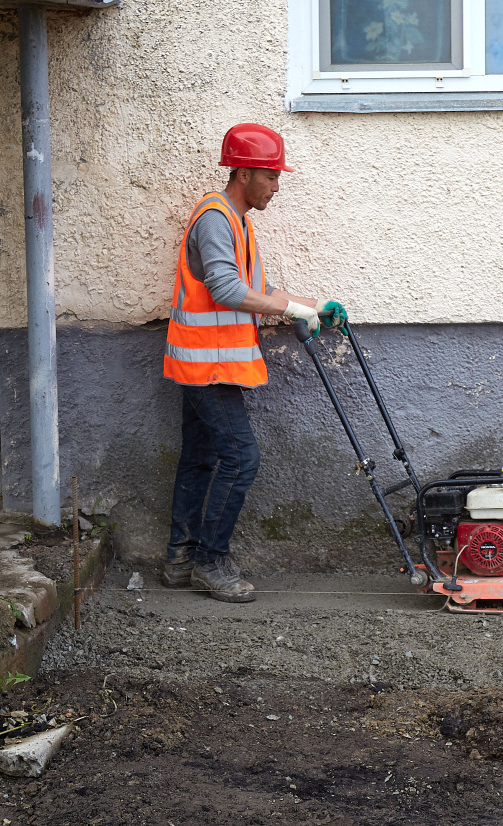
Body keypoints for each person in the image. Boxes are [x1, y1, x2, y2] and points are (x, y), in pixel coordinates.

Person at [161, 123, 348, 603]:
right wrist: (290, 310)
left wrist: (311, 306)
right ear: (243, 172)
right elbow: (225, 290)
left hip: (209, 364)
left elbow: (255, 293)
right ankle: (210, 560)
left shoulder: (237, 222)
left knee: (202, 458)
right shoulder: (216, 219)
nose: (277, 187)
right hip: (209, 369)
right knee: (241, 459)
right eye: (270, 176)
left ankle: (180, 558)